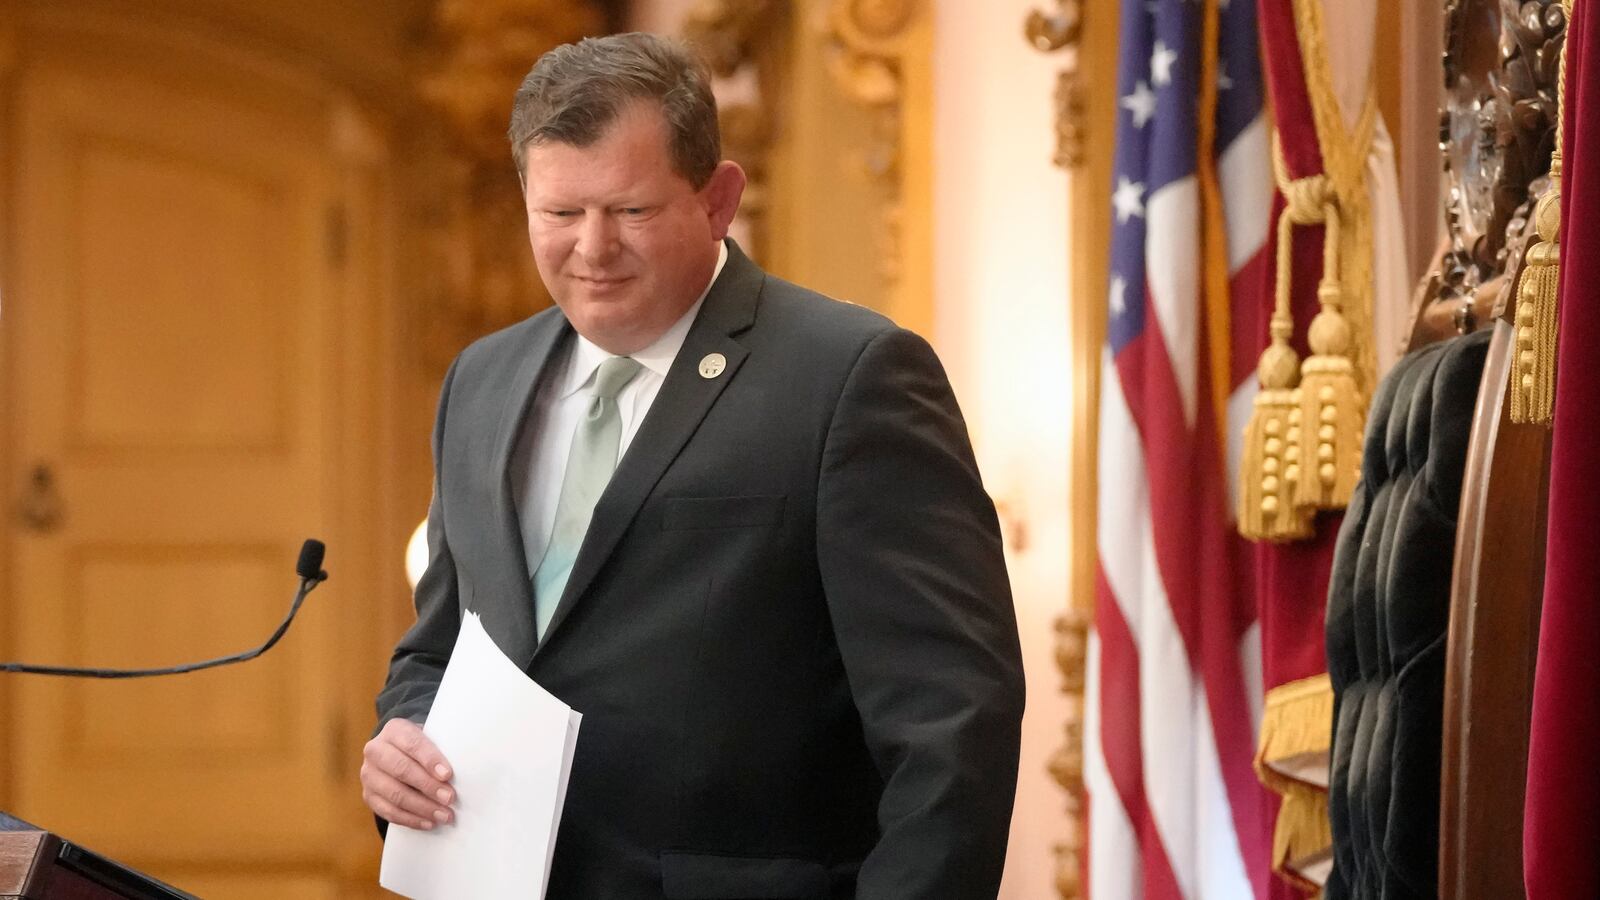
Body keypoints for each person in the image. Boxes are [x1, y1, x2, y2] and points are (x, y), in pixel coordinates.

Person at [361, 31, 1024, 899]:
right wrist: (405, 736)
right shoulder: (480, 380)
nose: (591, 249)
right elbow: (440, 647)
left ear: (719, 200)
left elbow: (952, 730)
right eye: (560, 214)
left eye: (630, 211)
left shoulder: (850, 378)